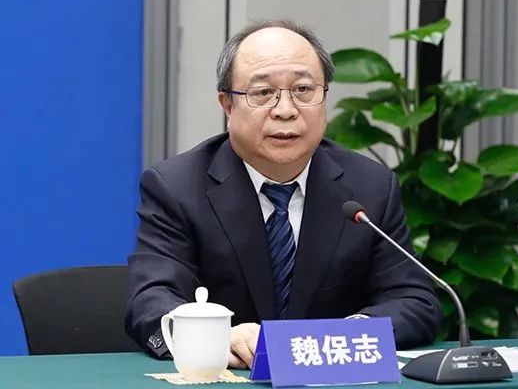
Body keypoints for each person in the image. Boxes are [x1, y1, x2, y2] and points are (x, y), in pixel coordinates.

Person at [125, 19, 441, 368]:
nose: (286, 110)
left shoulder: (370, 187)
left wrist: (343, 336)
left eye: (303, 90)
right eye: (263, 93)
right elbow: (150, 300)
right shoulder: (177, 187)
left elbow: (414, 301)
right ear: (227, 104)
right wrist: (216, 337)